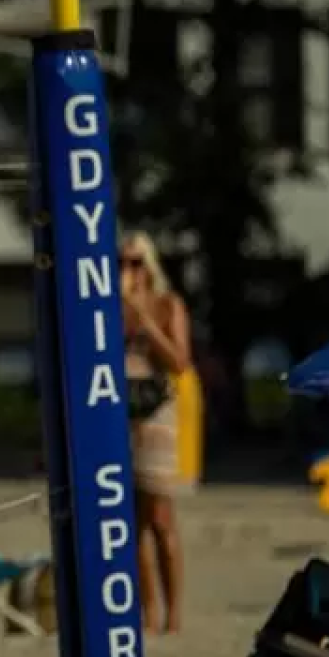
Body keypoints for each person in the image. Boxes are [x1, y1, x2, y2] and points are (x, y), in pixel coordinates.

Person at [119, 231, 193, 636]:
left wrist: (145, 321)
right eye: (120, 263)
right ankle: (148, 612)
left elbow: (180, 362)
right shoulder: (108, 308)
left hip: (156, 415)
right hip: (120, 415)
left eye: (135, 262)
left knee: (161, 518)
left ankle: (174, 612)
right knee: (131, 523)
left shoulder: (168, 305)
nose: (127, 271)